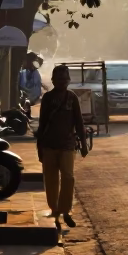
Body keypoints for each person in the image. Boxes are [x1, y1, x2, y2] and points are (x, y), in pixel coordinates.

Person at [36, 64, 89, 232]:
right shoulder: (47, 98)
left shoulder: (72, 98)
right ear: (53, 81)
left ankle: (66, 210)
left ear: (68, 81)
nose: (61, 82)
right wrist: (39, 147)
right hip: (49, 145)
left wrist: (84, 143)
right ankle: (55, 210)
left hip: (67, 145)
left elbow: (79, 122)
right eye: (58, 79)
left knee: (68, 178)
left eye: (64, 79)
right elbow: (42, 123)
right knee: (51, 180)